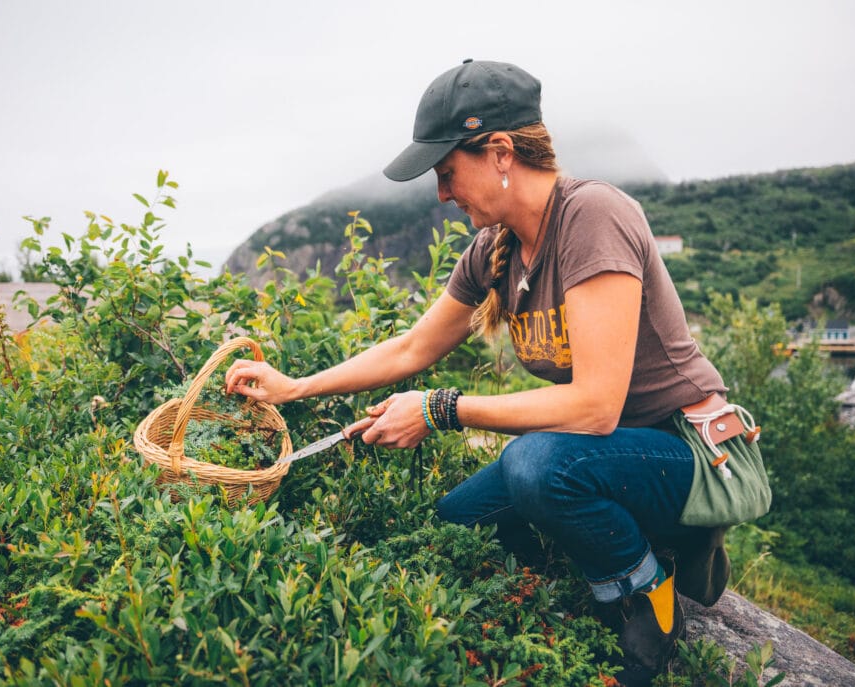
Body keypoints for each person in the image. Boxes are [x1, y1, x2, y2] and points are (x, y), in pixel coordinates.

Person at [226, 59, 733, 685]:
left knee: (533, 466)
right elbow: (414, 348)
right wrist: (296, 387)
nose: (441, 193)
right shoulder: (494, 248)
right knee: (458, 521)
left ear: (499, 153)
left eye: (447, 173)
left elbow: (598, 404)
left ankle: (645, 595)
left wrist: (439, 410)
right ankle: (601, 560)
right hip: (601, 455)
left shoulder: (593, 215)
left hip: (684, 454)